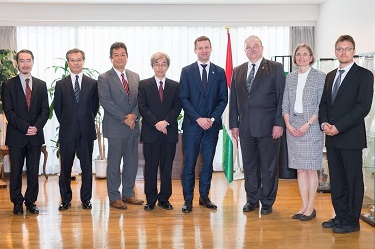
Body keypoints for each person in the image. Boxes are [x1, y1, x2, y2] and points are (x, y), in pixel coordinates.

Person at [319, 35, 373, 233]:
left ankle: (352, 221)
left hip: (350, 137)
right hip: (331, 138)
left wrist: (338, 127)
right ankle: (340, 216)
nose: (343, 52)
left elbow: (362, 107)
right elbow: (324, 103)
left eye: (347, 49)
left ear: (353, 51)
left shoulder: (365, 75)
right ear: (335, 51)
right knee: (338, 180)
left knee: (353, 180)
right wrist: (324, 123)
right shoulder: (331, 75)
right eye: (340, 48)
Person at [229, 35, 285, 215]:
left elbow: (281, 97)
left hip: (269, 127)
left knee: (269, 166)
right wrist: (234, 124)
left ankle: (267, 201)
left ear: (262, 47)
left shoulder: (275, 68)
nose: (252, 49)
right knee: (250, 166)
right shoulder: (238, 70)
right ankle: (252, 199)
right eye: (248, 47)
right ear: (244, 50)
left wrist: (279, 123)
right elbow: (234, 100)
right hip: (245, 128)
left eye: (255, 46)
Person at [179, 36, 228, 213]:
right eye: (200, 48)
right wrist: (198, 118)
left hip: (212, 127)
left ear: (211, 48)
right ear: (195, 50)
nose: (203, 50)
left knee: (207, 163)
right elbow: (183, 98)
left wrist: (212, 119)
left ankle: (204, 196)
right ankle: (188, 199)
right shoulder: (186, 71)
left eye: (206, 47)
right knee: (189, 163)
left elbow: (223, 99)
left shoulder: (219, 72)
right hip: (192, 125)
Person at [1, 49, 49, 215]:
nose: (25, 64)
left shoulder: (41, 85)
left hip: (35, 136)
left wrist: (36, 126)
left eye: (28, 60)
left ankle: (31, 202)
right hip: (16, 136)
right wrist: (25, 127)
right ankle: (17, 202)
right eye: (22, 61)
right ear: (16, 64)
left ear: (33, 62)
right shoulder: (8, 85)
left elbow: (45, 110)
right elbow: (9, 111)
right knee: (15, 172)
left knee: (33, 171)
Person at [282, 44, 326, 221]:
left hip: (311, 126)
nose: (301, 57)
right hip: (292, 126)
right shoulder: (290, 77)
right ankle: (304, 204)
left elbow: (320, 105)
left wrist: (307, 124)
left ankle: (311, 207)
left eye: (305, 54)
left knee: (310, 169)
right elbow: (284, 103)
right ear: (295, 57)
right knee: (300, 169)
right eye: (298, 54)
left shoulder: (320, 77)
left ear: (311, 56)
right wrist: (288, 124)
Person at [98, 42, 144, 209]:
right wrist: (125, 118)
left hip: (133, 127)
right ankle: (114, 196)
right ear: (111, 58)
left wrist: (134, 115)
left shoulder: (135, 76)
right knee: (114, 164)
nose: (119, 57)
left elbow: (140, 100)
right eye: (116, 55)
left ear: (127, 56)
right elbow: (106, 102)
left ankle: (129, 194)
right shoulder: (104, 78)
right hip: (116, 127)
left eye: (122, 54)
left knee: (131, 163)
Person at [53, 48, 99, 211]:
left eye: (79, 59)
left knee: (87, 168)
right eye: (72, 60)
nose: (76, 63)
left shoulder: (93, 83)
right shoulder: (60, 84)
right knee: (65, 168)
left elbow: (95, 107)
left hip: (86, 132)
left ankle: (86, 199)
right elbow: (58, 110)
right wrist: (70, 123)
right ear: (68, 62)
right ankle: (65, 199)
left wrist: (83, 121)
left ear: (83, 61)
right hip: (67, 133)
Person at [138, 52, 182, 211]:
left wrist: (166, 122)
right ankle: (150, 199)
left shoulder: (175, 85)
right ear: (152, 66)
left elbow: (178, 106)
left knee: (166, 167)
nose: (160, 67)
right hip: (151, 132)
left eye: (163, 64)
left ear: (167, 66)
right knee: (150, 167)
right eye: (157, 64)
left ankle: (164, 198)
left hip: (168, 133)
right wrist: (157, 123)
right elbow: (142, 107)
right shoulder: (143, 85)